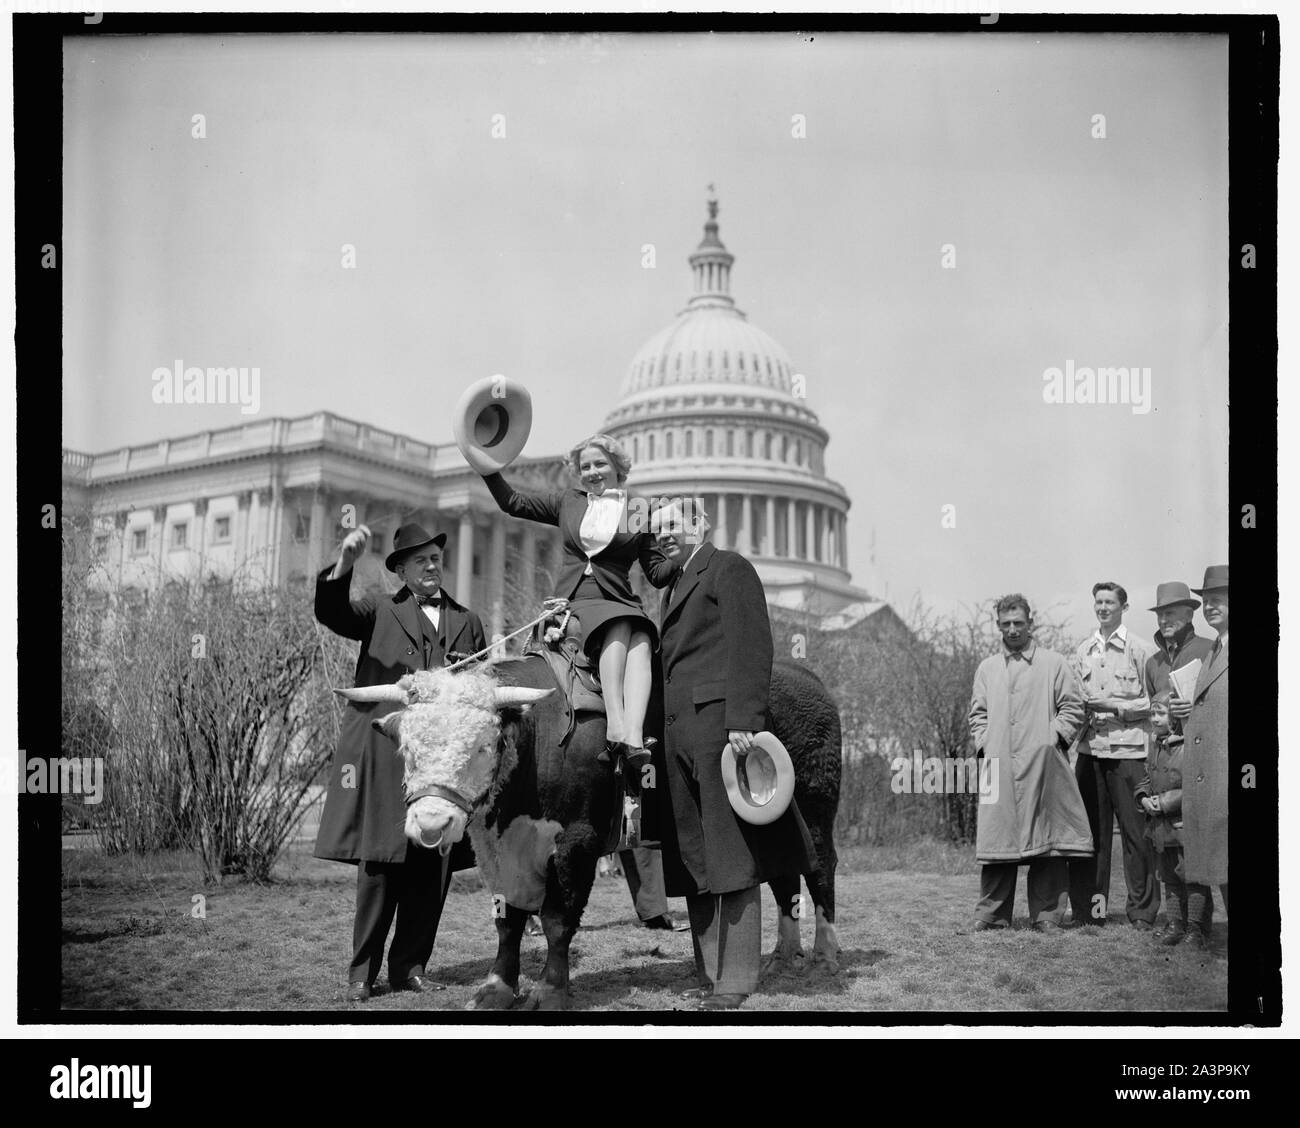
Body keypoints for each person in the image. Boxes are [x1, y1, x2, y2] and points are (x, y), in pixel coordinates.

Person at [651, 498, 816, 1009]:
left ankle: (737, 979)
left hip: (721, 731)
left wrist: (744, 718)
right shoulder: (675, 582)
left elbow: (753, 643)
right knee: (694, 856)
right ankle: (710, 969)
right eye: (657, 530)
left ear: (700, 525)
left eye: (675, 525)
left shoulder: (728, 568)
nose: (665, 536)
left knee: (733, 855)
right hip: (679, 736)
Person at [314, 522, 488, 1002]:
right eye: (421, 561)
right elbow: (332, 612)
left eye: (436, 558)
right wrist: (344, 563)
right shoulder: (377, 610)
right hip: (389, 757)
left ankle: (411, 967)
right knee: (381, 865)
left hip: (443, 768)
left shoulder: (468, 620)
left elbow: (475, 689)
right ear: (402, 570)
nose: (432, 567)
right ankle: (360, 973)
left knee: (432, 866)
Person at [480, 434, 676, 776]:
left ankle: (633, 736)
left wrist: (684, 548)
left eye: (600, 464)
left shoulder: (636, 510)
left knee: (643, 639)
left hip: (618, 597)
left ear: (617, 467)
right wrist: (486, 468)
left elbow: (657, 573)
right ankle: (616, 726)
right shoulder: (568, 502)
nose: (592, 472)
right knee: (620, 625)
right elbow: (512, 502)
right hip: (575, 601)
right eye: (585, 466)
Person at [968, 594, 1090, 932]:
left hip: (1044, 764)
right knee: (997, 841)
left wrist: (1053, 739)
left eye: (1018, 623)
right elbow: (977, 715)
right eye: (1005, 624)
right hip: (999, 765)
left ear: (1030, 623)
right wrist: (985, 745)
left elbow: (1073, 708)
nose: (1012, 630)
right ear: (998, 627)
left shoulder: (1053, 663)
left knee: (1047, 841)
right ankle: (990, 914)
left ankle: (1047, 915)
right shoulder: (987, 668)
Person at [1066, 581, 1157, 930]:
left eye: (1110, 602)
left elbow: (1153, 702)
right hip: (1091, 752)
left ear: (1124, 606)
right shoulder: (1083, 650)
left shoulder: (1139, 648)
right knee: (1091, 837)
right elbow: (1074, 701)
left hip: (1128, 753)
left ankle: (1142, 913)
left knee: (1136, 835)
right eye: (1098, 602)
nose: (1103, 608)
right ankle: (1093, 912)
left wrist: (1115, 707)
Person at [1181, 564, 1229, 946]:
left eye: (1217, 599)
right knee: (1214, 857)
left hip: (1227, 771)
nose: (1209, 607)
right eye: (1206, 601)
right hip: (1206, 771)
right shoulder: (1217, 647)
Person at [1134, 692, 1192, 946]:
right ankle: (1176, 924)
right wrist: (1144, 797)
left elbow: (1193, 787)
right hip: (1160, 827)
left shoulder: (1188, 745)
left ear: (1175, 717)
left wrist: (1164, 803)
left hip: (1182, 825)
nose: (1154, 718)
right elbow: (1147, 777)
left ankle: (1197, 929)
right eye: (1152, 713)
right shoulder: (1155, 743)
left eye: (1161, 713)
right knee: (1168, 876)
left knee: (1189, 876)